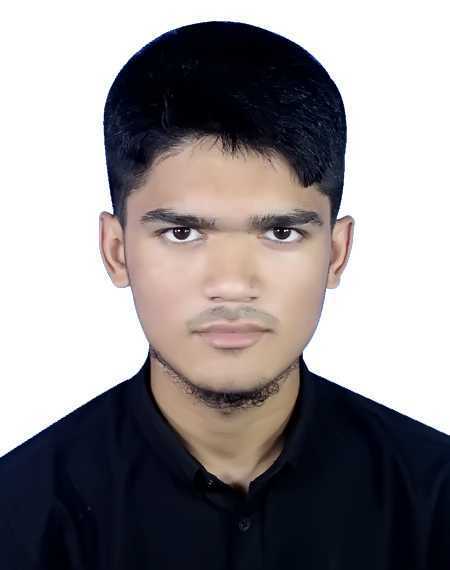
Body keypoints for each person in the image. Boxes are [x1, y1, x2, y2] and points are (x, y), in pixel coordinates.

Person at [1, 20, 449, 569]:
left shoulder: (435, 502)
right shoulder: (19, 520)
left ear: (336, 253)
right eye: (182, 233)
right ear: (116, 251)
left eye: (280, 232)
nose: (232, 284)